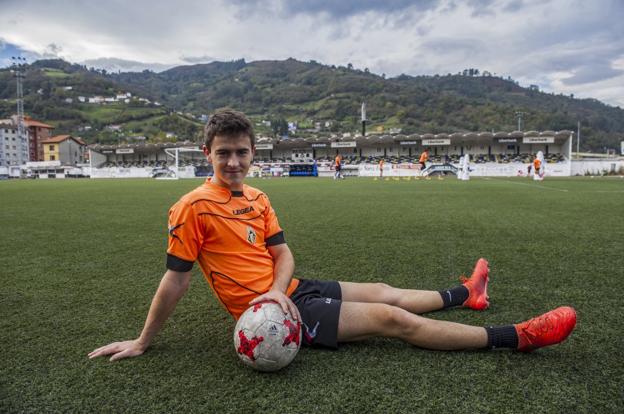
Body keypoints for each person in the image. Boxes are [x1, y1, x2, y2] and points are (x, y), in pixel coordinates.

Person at [88, 109, 576, 362]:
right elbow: (176, 280)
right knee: (390, 317)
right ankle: (517, 338)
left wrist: (280, 289)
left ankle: (465, 294)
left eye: (241, 152)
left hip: (288, 293)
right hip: (268, 315)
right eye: (223, 154)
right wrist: (143, 340)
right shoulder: (192, 207)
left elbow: (284, 254)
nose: (233, 162)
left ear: (253, 152)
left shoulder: (257, 198)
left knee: (385, 290)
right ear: (207, 153)